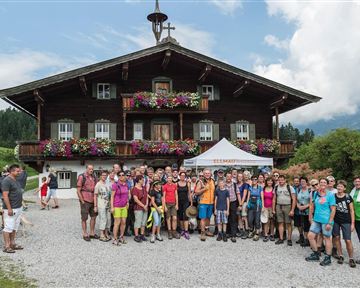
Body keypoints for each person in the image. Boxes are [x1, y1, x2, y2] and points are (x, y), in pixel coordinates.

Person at [306, 178, 336, 266]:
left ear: (327, 184)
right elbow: (312, 206)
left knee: (327, 238)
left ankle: (328, 258)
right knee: (310, 236)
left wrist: (330, 222)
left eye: (324, 182)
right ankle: (316, 254)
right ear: (319, 184)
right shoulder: (316, 193)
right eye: (321, 182)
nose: (322, 184)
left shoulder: (330, 195)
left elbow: (333, 209)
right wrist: (310, 217)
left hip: (326, 220)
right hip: (316, 219)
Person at [1, 164, 24, 253]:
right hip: (10, 209)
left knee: (14, 227)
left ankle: (12, 244)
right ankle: (6, 246)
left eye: (19, 171)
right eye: (17, 171)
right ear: (12, 171)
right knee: (8, 227)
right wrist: (9, 208)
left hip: (18, 207)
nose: (19, 172)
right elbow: (5, 196)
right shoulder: (7, 181)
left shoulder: (15, 179)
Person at [333, 180, 356, 267]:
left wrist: (352, 223)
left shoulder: (348, 197)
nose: (339, 188)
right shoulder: (333, 196)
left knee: (348, 240)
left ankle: (351, 258)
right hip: (336, 221)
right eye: (338, 186)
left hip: (346, 221)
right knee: (337, 238)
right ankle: (341, 255)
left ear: (344, 188)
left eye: (341, 186)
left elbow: (351, 210)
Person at [273, 175, 296, 246]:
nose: (281, 181)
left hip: (288, 206)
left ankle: (289, 239)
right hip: (279, 206)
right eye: (279, 180)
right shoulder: (276, 187)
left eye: (282, 180)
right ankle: (281, 238)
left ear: (285, 180)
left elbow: (294, 199)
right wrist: (273, 209)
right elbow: (274, 199)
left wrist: (292, 210)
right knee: (280, 223)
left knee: (288, 223)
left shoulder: (290, 187)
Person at [76, 164, 98, 241]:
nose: (91, 170)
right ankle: (85, 233)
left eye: (92, 169)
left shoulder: (94, 177)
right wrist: (82, 201)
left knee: (93, 217)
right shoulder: (82, 176)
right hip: (85, 199)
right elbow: (78, 190)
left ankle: (92, 233)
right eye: (89, 169)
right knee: (84, 218)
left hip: (93, 200)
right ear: (86, 169)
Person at [195, 168, 215, 241]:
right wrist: (204, 189)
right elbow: (196, 192)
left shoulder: (212, 181)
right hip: (203, 202)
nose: (207, 174)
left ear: (210, 174)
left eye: (208, 173)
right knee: (203, 218)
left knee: (208, 218)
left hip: (211, 203)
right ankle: (202, 232)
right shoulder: (200, 182)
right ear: (203, 174)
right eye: (206, 173)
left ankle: (207, 230)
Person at [111, 171, 129, 245]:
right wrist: (112, 207)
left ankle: (121, 237)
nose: (121, 176)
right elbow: (112, 196)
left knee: (123, 222)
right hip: (117, 206)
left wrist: (127, 202)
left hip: (124, 206)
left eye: (123, 175)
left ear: (125, 176)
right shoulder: (115, 185)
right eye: (120, 175)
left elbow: (127, 195)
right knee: (117, 223)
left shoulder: (126, 185)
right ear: (118, 176)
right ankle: (115, 239)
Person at [94, 171, 111, 242]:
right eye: (103, 175)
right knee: (103, 218)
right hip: (101, 204)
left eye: (106, 175)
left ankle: (106, 233)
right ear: (100, 176)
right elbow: (95, 195)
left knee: (108, 219)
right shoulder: (98, 184)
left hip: (108, 204)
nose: (104, 176)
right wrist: (95, 206)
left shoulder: (107, 184)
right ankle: (101, 234)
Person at [294, 177, 311, 247]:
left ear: (307, 182)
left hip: (308, 211)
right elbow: (296, 199)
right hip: (300, 210)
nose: (302, 183)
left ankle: (308, 240)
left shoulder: (310, 190)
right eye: (301, 181)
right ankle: (304, 238)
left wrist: (306, 206)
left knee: (307, 226)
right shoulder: (298, 190)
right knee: (302, 225)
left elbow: (312, 201)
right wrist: (298, 206)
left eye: (304, 181)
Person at [224, 172, 241, 243]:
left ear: (231, 177)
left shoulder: (234, 185)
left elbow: (238, 194)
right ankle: (227, 233)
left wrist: (240, 204)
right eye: (227, 176)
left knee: (233, 218)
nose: (228, 178)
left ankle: (233, 235)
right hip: (224, 203)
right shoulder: (223, 185)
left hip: (233, 202)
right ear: (226, 177)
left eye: (229, 176)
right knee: (226, 218)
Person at [162, 175, 180, 240]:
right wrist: (164, 206)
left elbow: (176, 195)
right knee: (168, 218)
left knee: (174, 218)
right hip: (167, 203)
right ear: (166, 179)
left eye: (170, 178)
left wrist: (177, 204)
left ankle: (174, 231)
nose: (169, 179)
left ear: (172, 179)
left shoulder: (174, 185)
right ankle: (169, 232)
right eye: (168, 178)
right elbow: (163, 197)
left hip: (173, 203)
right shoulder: (164, 186)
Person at [132, 175, 148, 243]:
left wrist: (146, 205)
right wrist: (143, 206)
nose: (143, 181)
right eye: (142, 180)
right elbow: (136, 199)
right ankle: (136, 235)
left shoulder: (144, 188)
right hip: (138, 208)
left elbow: (147, 196)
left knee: (143, 222)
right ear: (139, 180)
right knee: (138, 222)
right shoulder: (135, 189)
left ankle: (142, 234)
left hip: (145, 207)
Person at [247, 175, 262, 241]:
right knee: (250, 219)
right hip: (251, 204)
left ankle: (257, 233)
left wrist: (263, 206)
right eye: (253, 179)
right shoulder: (250, 188)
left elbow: (262, 198)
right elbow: (248, 196)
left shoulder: (260, 188)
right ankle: (251, 230)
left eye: (255, 179)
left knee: (257, 219)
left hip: (258, 204)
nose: (254, 180)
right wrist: (247, 203)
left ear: (257, 180)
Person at [177, 172, 191, 240]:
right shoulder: (176, 183)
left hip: (186, 201)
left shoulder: (187, 183)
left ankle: (186, 231)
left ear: (185, 176)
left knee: (186, 216)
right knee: (180, 216)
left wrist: (191, 203)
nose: (182, 176)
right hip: (179, 202)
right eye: (181, 175)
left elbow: (189, 193)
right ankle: (182, 230)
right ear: (179, 176)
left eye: (184, 175)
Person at [350, 176, 360, 264]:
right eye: (356, 181)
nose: (357, 183)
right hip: (356, 219)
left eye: (359, 181)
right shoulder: (353, 191)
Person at [261, 178, 274, 242]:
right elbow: (262, 198)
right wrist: (263, 207)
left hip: (271, 207)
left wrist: (274, 209)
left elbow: (275, 199)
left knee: (271, 221)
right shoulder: (264, 188)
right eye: (268, 181)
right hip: (265, 207)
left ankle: (271, 234)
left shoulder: (274, 189)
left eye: (271, 181)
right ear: (266, 182)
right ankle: (266, 234)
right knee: (266, 221)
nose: (270, 182)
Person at [239, 173, 250, 239]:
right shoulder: (237, 184)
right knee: (239, 217)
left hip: (244, 202)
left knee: (244, 217)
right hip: (238, 202)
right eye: (239, 177)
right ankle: (241, 230)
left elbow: (244, 195)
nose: (240, 178)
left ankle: (246, 231)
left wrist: (241, 204)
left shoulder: (245, 185)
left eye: (241, 177)